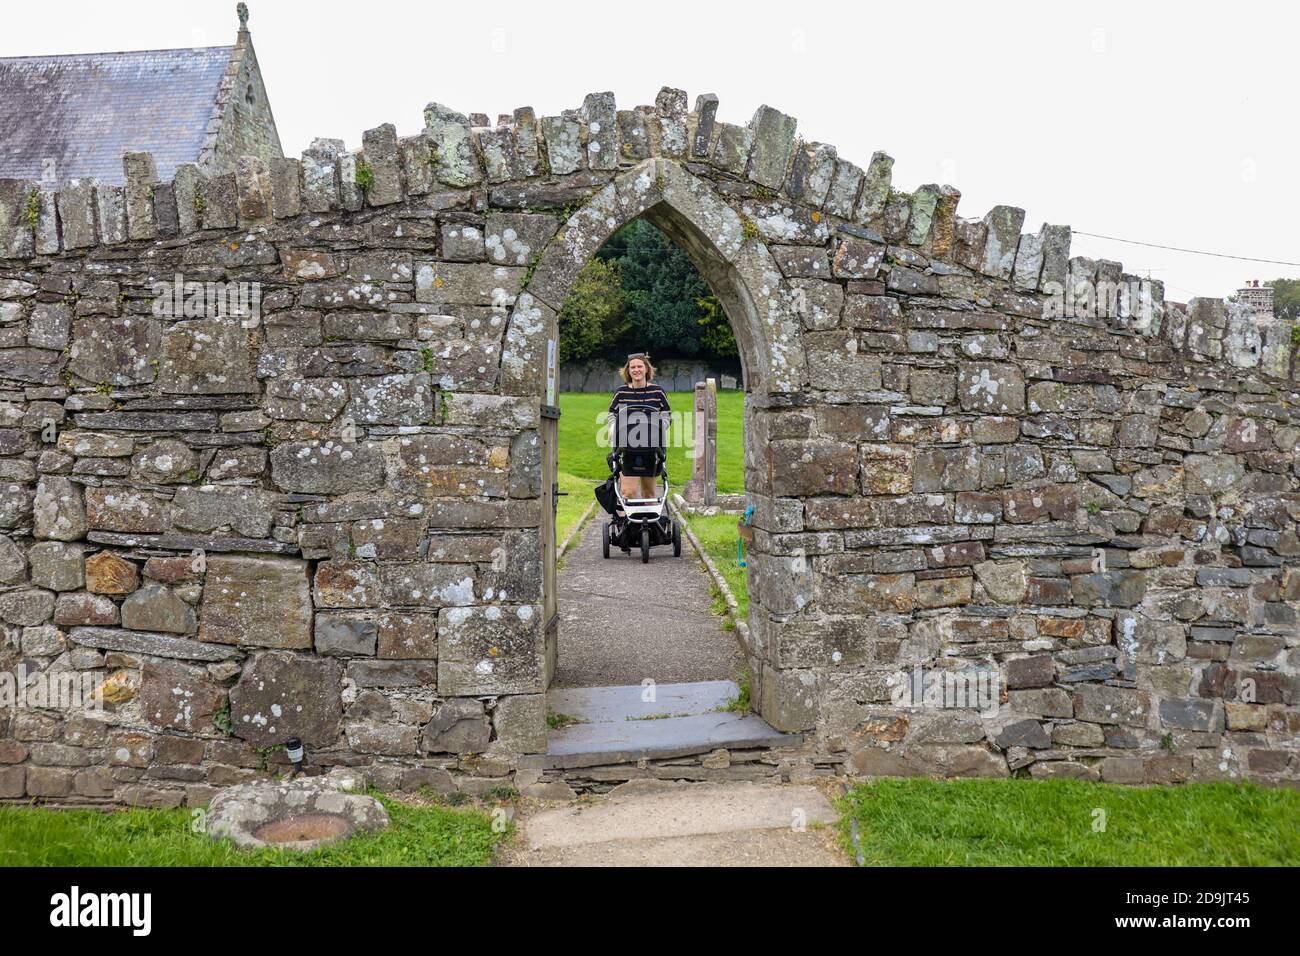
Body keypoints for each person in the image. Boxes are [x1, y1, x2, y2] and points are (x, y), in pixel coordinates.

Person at [607, 352, 671, 503]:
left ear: (647, 369)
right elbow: (612, 415)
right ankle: (626, 524)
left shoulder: (657, 392)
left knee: (649, 493)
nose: (636, 370)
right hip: (626, 447)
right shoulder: (621, 392)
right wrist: (613, 427)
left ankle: (648, 525)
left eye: (639, 366)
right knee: (628, 492)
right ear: (628, 371)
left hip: (651, 446)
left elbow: (666, 415)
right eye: (632, 367)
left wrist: (659, 428)